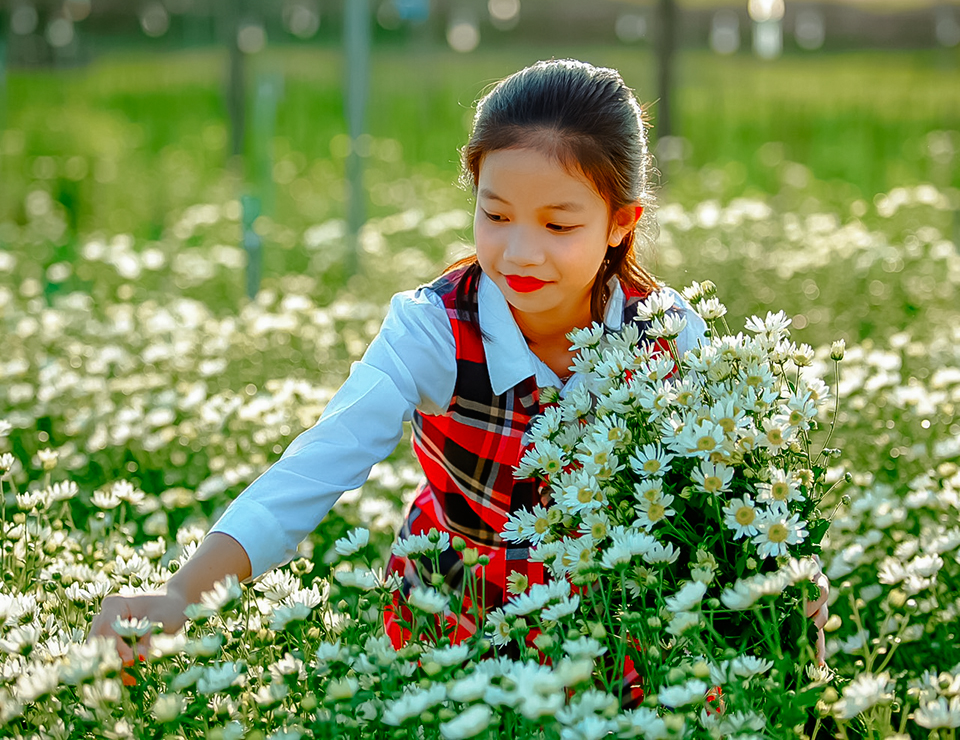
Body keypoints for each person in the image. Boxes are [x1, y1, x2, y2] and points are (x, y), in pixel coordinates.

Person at [90, 59, 829, 690]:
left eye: (558, 224)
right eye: (495, 214)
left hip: (609, 621)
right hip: (449, 611)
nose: (519, 252)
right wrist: (181, 592)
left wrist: (792, 580)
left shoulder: (669, 334)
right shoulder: (433, 329)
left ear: (621, 222)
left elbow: (735, 490)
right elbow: (311, 470)